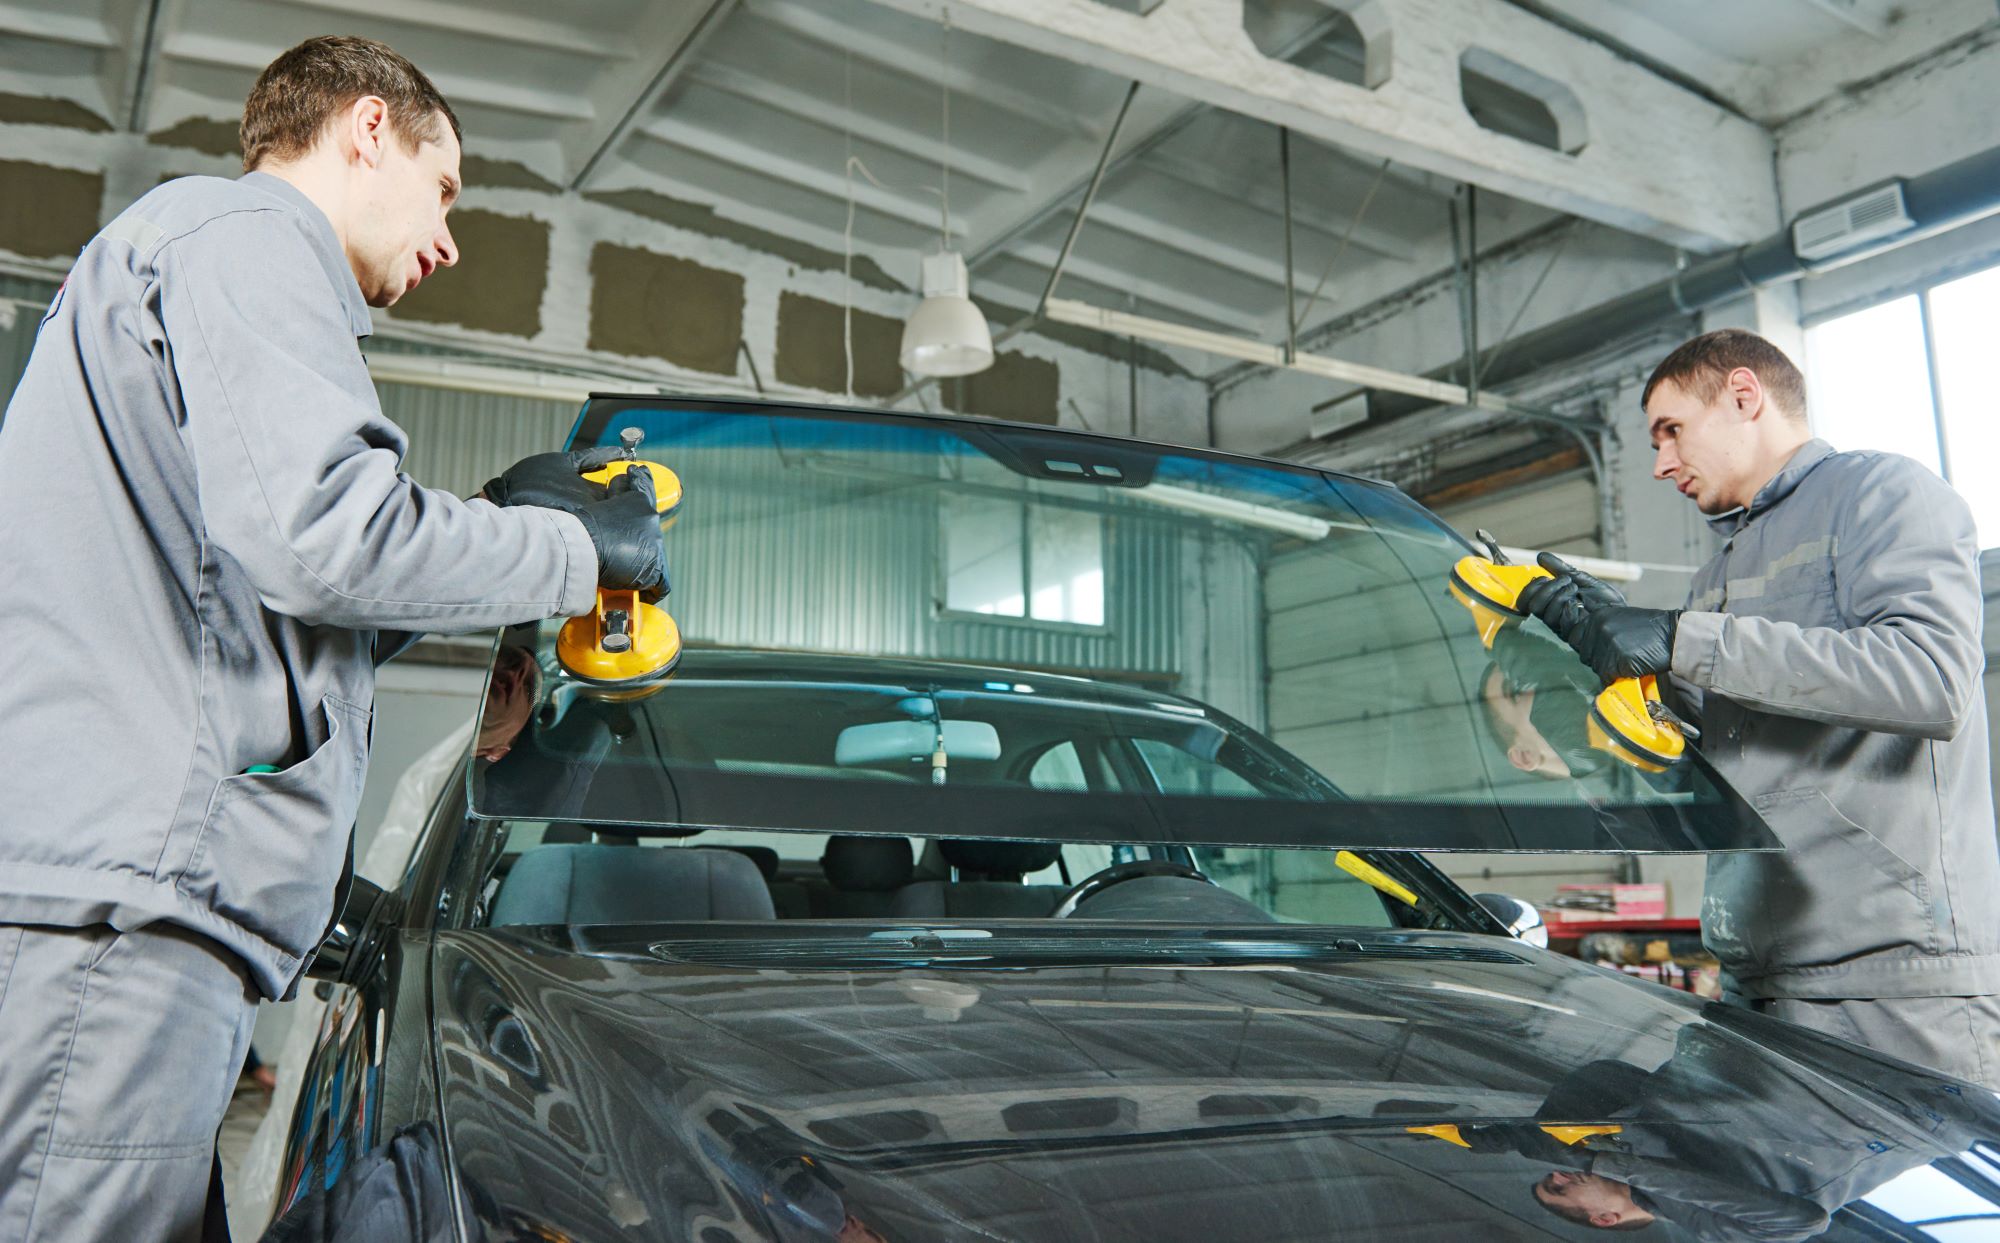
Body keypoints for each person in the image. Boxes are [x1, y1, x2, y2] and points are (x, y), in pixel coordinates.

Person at [0, 36, 665, 1242]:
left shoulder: (181, 256)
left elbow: (261, 603)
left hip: (124, 914)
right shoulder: (249, 240)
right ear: (368, 128)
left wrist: (498, 526)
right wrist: (580, 555)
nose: (451, 240)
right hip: (127, 927)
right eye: (446, 185)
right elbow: (325, 539)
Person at [1516, 329, 2000, 1086]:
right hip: (1758, 981)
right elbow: (1716, 751)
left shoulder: (1883, 494)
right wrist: (1603, 644)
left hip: (1894, 989)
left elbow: (1930, 678)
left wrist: (1683, 638)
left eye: (1671, 430)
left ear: (1745, 395)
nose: (1660, 463)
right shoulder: (1719, 570)